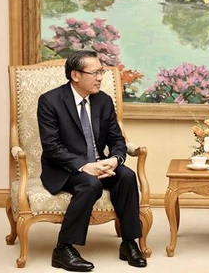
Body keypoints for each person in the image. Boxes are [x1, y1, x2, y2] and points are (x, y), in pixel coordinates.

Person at [37, 50, 146, 271]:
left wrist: (115, 160)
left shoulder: (103, 101)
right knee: (90, 183)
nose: (99, 78)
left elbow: (117, 139)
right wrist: (84, 166)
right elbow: (51, 147)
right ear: (75, 75)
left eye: (101, 72)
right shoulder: (50, 101)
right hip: (65, 169)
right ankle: (63, 248)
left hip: (100, 163)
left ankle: (129, 242)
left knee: (126, 176)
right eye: (94, 73)